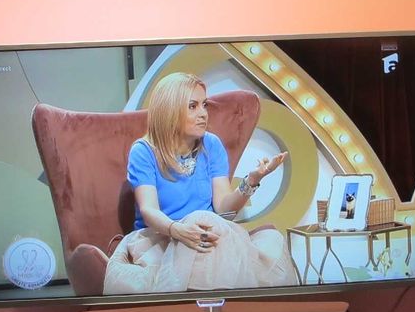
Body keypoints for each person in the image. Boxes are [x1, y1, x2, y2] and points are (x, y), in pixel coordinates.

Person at [103, 72, 298, 294]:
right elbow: (149, 210)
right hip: (162, 238)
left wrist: (252, 180)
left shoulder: (212, 145)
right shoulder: (144, 151)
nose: (203, 114)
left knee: (268, 240)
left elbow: (223, 209)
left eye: (204, 105)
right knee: (202, 220)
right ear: (170, 110)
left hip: (207, 238)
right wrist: (179, 231)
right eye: (192, 106)